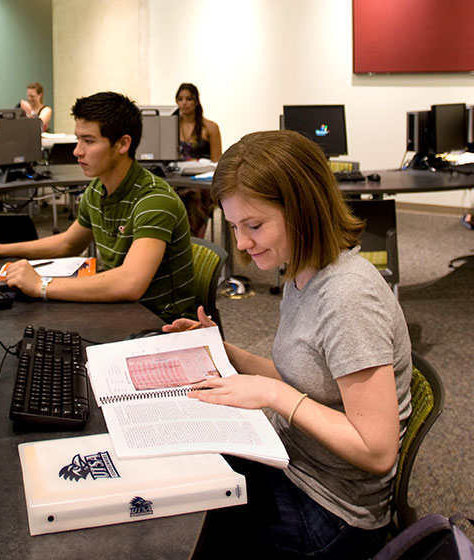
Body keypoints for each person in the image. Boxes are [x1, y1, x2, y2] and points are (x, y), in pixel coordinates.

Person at [164, 130, 413, 559]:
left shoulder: (347, 298)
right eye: (237, 226)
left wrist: (274, 395)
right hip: (292, 462)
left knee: (183, 527)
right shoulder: (301, 270)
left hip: (335, 511)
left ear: (302, 211)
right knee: (177, 476)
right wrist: (225, 352)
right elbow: (310, 377)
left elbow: (377, 451)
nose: (241, 242)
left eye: (254, 225)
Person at [0, 91, 195, 322]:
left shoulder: (154, 200)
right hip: (125, 311)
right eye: (78, 139)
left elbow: (130, 283)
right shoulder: (98, 189)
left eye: (89, 141)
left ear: (122, 144)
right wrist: (0, 249)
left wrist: (41, 285)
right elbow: (68, 244)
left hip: (162, 323)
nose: (77, 151)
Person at [174, 83, 222, 238]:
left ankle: (194, 242)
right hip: (177, 178)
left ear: (196, 101)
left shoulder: (210, 127)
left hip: (201, 183)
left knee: (192, 195)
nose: (184, 103)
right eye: (180, 99)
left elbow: (217, 160)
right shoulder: (171, 126)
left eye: (188, 98)